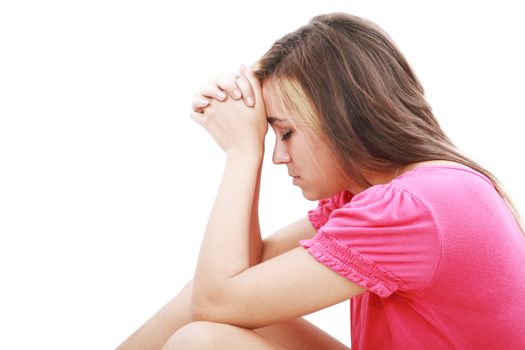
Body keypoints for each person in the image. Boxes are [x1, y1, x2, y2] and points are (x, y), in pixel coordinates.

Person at [117, 12, 525, 350]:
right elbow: (235, 274)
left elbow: (216, 301)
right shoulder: (403, 193)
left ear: (340, 117)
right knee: (202, 312)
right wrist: (251, 117)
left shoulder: (410, 207)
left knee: (202, 342)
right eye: (271, 137)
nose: (278, 156)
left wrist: (243, 154)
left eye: (286, 132)